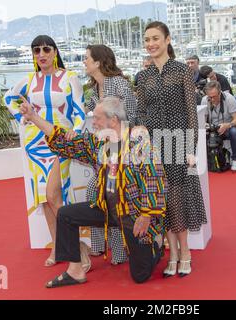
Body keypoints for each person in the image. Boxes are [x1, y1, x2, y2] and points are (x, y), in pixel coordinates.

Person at [19, 96, 167, 287]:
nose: (93, 122)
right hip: (106, 209)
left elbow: (155, 180)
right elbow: (61, 139)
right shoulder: (99, 143)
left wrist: (147, 215)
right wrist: (33, 116)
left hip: (134, 214)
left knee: (140, 275)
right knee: (65, 214)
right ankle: (75, 271)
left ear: (112, 120)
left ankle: (155, 245)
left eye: (97, 118)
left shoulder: (141, 143)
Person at [3, 35, 85, 267]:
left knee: (53, 194)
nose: (41, 54)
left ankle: (78, 246)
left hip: (60, 143)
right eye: (36, 50)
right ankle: (59, 247)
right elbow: (8, 97)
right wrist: (22, 115)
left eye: (46, 49)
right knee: (45, 199)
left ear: (55, 51)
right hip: (35, 145)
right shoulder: (29, 80)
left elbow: (79, 111)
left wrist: (76, 132)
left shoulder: (70, 78)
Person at [136, 21, 207, 277]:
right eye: (147, 40)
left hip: (179, 142)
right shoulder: (142, 76)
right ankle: (172, 253)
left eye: (155, 38)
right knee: (162, 200)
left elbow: (191, 112)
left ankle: (185, 251)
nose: (151, 44)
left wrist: (191, 147)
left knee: (179, 199)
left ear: (167, 40)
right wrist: (142, 137)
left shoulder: (181, 71)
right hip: (155, 144)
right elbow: (141, 111)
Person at [83, 44, 138, 265]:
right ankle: (100, 246)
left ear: (98, 62)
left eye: (86, 58)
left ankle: (119, 251)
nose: (84, 61)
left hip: (122, 150)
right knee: (95, 193)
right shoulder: (93, 89)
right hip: (104, 151)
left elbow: (132, 115)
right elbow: (85, 112)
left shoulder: (119, 84)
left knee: (113, 197)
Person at [201, 81, 236, 171]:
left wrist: (227, 125)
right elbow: (202, 120)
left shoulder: (229, 99)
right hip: (212, 130)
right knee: (200, 133)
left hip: (227, 128)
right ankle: (205, 161)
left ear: (220, 92)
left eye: (214, 96)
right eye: (209, 97)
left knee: (235, 131)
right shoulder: (205, 100)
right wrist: (205, 125)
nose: (212, 99)